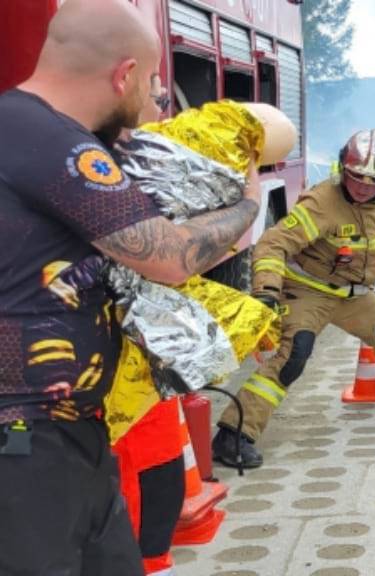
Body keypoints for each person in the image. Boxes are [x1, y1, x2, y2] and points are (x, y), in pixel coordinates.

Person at [0, 1, 263, 574]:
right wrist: (247, 205)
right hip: (23, 441)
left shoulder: (28, 130)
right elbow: (167, 257)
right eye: (147, 83)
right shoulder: (55, 144)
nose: (148, 102)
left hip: (69, 431)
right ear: (122, 75)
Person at [214, 129, 375, 469]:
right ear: (343, 168)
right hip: (307, 290)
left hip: (353, 295)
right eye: (356, 178)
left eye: (374, 181)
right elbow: (272, 243)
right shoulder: (321, 203)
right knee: (294, 355)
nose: (363, 187)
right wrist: (266, 291)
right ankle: (232, 436)